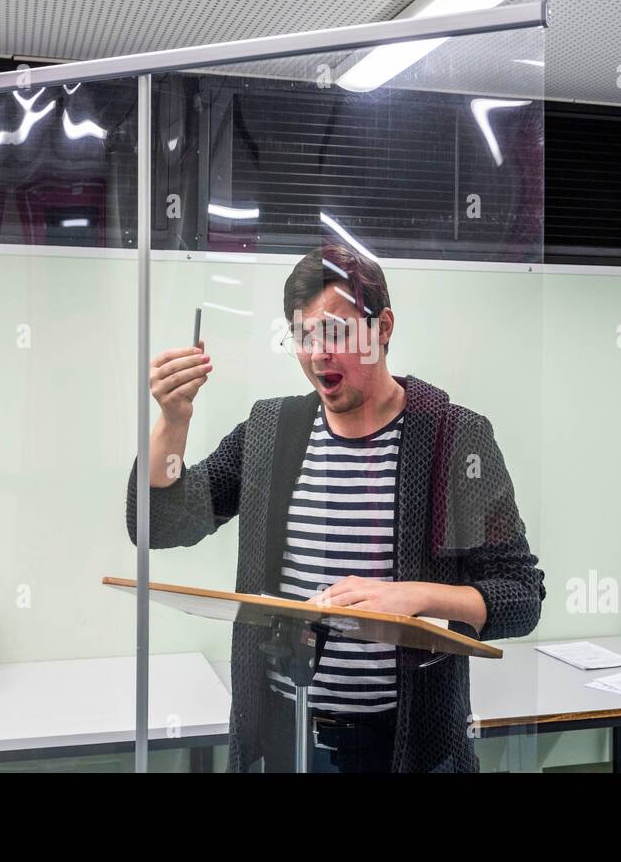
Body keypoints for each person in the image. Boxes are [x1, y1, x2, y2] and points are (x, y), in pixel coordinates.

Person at [126, 242, 544, 772]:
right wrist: (173, 420)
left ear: (384, 327)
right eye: (302, 336)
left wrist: (414, 598)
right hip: (283, 738)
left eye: (337, 332)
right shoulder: (269, 432)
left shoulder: (454, 436)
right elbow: (158, 524)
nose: (318, 353)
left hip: (405, 748)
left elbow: (522, 596)